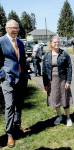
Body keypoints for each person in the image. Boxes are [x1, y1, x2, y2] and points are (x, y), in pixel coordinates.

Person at [0, 19, 27, 148]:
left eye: (17, 28)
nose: (15, 30)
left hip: (21, 79)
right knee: (10, 106)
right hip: (8, 80)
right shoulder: (1, 42)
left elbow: (22, 60)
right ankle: (9, 134)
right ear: (6, 28)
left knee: (19, 104)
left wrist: (25, 73)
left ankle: (17, 126)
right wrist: (3, 76)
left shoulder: (21, 43)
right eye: (12, 28)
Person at [42, 36, 73, 127]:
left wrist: (68, 81)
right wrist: (45, 83)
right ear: (51, 43)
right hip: (51, 81)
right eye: (55, 42)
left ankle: (68, 118)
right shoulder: (47, 55)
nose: (57, 43)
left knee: (65, 99)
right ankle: (59, 116)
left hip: (62, 80)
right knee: (55, 100)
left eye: (58, 42)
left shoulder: (64, 54)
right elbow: (44, 70)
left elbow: (69, 68)